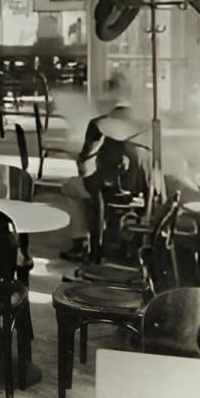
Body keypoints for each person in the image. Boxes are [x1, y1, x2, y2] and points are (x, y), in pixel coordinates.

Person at [59, 74, 146, 262]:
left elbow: (85, 164)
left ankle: (81, 242)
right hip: (140, 190)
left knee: (70, 187)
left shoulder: (99, 124)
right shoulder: (147, 123)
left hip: (109, 189)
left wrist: (80, 158)